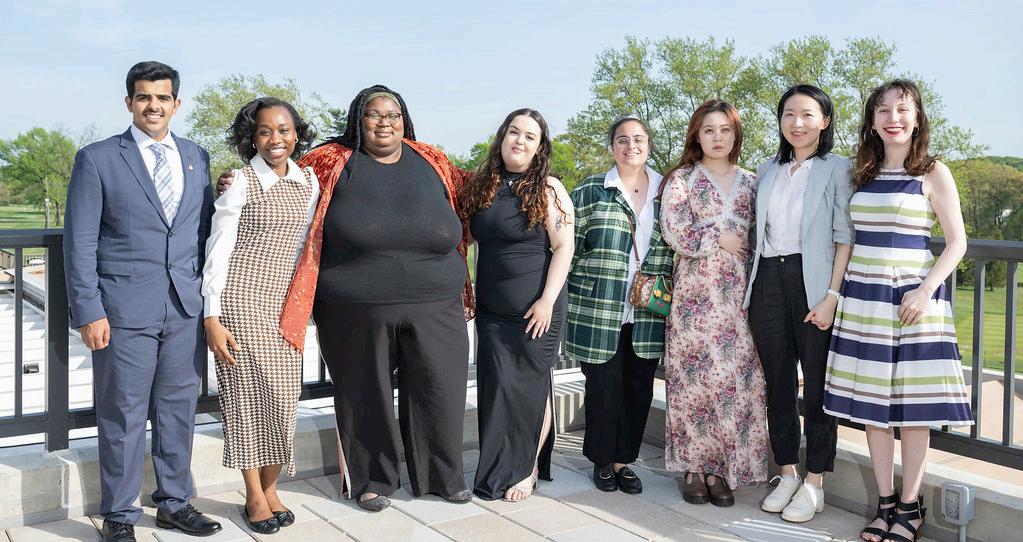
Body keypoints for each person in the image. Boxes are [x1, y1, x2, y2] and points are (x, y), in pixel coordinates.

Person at [275, 84, 473, 512]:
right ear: (358, 120)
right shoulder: (329, 161)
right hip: (354, 308)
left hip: (437, 302)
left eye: (393, 114)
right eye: (374, 114)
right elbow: (282, 184)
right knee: (366, 395)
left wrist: (535, 182)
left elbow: (475, 193)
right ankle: (373, 480)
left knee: (440, 391)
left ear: (405, 120)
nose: (385, 122)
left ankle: (442, 477)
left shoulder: (432, 159)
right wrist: (234, 181)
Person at [63, 61, 221, 542]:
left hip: (184, 308)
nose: (154, 105)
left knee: (178, 409)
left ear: (176, 103)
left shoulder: (196, 156)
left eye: (162, 97)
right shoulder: (98, 159)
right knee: (123, 414)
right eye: (144, 97)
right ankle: (119, 514)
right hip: (123, 310)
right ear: (129, 102)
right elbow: (79, 242)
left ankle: (174, 502)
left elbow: (203, 229)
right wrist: (89, 310)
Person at [822, 79, 973, 542]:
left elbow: (957, 242)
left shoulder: (932, 171)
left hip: (913, 300)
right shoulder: (862, 174)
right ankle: (885, 503)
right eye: (883, 110)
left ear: (917, 117)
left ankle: (910, 508)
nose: (893, 118)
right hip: (864, 299)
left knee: (913, 410)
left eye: (903, 109)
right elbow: (847, 237)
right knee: (873, 407)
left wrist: (925, 290)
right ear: (872, 121)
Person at [201, 97, 318, 534]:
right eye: (265, 131)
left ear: (296, 134)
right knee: (247, 400)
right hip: (240, 301)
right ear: (252, 138)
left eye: (284, 130)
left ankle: (271, 489)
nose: (275, 139)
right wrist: (211, 316)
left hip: (284, 306)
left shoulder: (309, 181)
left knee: (284, 398)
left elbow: (306, 242)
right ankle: (254, 496)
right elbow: (218, 249)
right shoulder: (241, 182)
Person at [744, 85, 854, 522]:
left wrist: (831, 296)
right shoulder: (767, 169)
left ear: (824, 121)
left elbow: (844, 236)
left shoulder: (838, 168)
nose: (797, 123)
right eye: (789, 114)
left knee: (818, 387)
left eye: (807, 114)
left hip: (814, 284)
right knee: (778, 383)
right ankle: (787, 472)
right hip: (768, 281)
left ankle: (815, 482)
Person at [458, 109, 574, 501]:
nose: (519, 141)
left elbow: (564, 247)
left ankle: (528, 469)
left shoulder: (549, 189)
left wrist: (546, 301)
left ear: (539, 147)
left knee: (529, 389)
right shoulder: (483, 186)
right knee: (497, 390)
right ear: (502, 137)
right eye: (514, 132)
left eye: (529, 136)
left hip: (536, 309)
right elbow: (465, 238)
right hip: (492, 312)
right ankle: (496, 467)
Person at [660, 99, 768, 507]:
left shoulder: (754, 182)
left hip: (740, 299)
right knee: (694, 380)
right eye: (709, 130)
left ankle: (722, 469)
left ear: (736, 134)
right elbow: (674, 230)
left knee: (734, 383)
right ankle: (693, 467)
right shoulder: (683, 180)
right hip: (695, 300)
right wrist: (717, 238)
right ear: (697, 135)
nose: (717, 137)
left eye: (725, 129)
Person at [567, 115, 675, 495]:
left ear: (649, 145)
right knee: (602, 386)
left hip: (648, 308)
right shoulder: (591, 190)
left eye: (639, 139)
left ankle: (623, 460)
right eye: (623, 140)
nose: (632, 146)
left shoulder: (668, 191)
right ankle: (601, 460)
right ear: (612, 147)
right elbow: (568, 247)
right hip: (600, 306)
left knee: (639, 386)